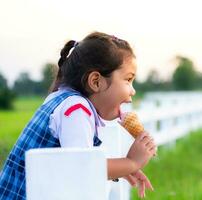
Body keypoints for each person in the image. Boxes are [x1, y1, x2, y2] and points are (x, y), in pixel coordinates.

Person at [0, 32, 157, 199]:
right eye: (128, 80)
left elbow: (74, 163)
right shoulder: (76, 109)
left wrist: (122, 170)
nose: (132, 91)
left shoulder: (61, 99)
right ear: (96, 81)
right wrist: (131, 162)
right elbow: (82, 168)